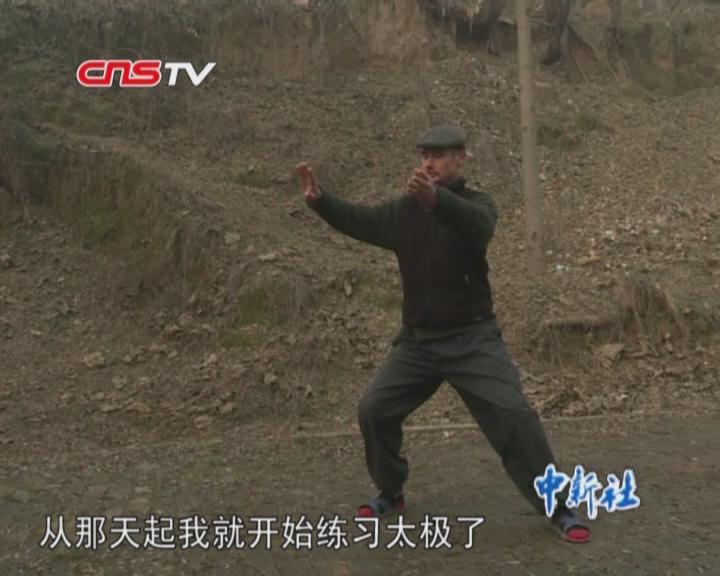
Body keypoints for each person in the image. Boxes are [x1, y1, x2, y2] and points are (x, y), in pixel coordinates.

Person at [294, 124, 591, 543]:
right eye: (424, 155)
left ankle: (558, 507)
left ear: (460, 159)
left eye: (437, 154)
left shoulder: (477, 204)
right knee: (374, 409)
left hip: (473, 340)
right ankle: (391, 492)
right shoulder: (404, 212)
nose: (428, 162)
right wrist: (321, 201)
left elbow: (479, 227)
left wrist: (437, 201)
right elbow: (360, 220)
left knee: (515, 416)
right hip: (417, 344)